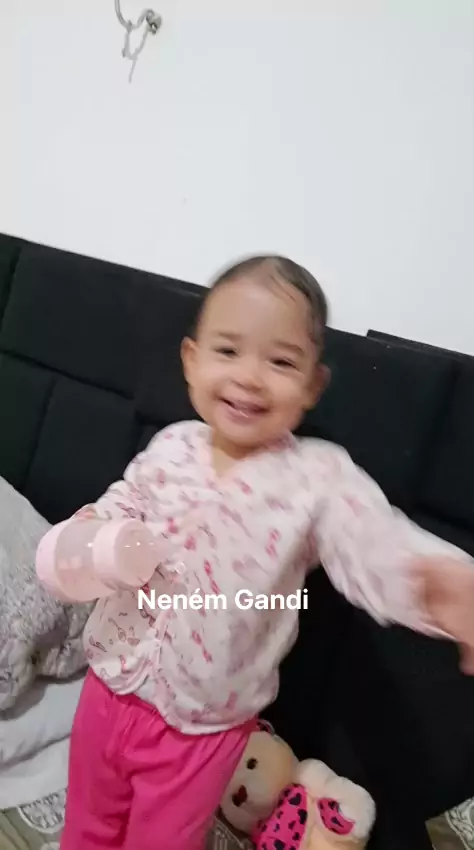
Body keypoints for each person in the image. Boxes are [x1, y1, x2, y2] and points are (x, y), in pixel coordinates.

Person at [46, 256, 474, 850]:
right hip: (110, 682)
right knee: (87, 823)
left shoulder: (318, 479)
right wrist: (94, 527)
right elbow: (127, 501)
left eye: (281, 362)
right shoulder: (170, 446)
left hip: (203, 727)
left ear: (312, 385)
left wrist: (446, 588)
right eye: (227, 351)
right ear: (192, 360)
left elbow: (377, 549)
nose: (249, 377)